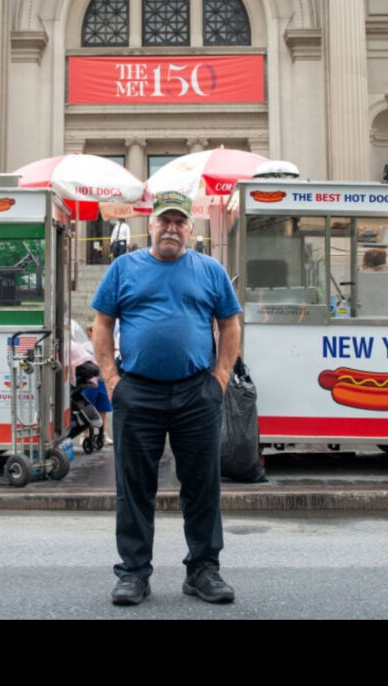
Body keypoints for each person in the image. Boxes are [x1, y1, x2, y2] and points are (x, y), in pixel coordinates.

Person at [91, 189, 242, 606]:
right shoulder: (124, 268)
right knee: (134, 485)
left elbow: (230, 325)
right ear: (151, 225)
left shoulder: (209, 270)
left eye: (179, 222)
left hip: (197, 391)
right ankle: (134, 574)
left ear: (190, 229)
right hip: (137, 391)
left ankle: (203, 570)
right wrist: (111, 380)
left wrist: (221, 377)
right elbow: (101, 325)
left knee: (202, 485)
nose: (171, 229)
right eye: (164, 221)